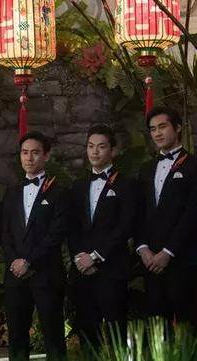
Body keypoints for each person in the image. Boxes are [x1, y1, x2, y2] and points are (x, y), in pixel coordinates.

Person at [0, 131, 69, 361]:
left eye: (35, 152)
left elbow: (56, 234)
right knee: (17, 333)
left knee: (53, 333)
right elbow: (4, 233)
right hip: (15, 275)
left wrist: (28, 260)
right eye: (25, 153)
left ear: (46, 156)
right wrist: (14, 261)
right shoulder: (11, 193)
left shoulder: (60, 193)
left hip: (46, 274)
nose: (29, 158)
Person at [136, 107, 197, 323]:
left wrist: (168, 252)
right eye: (153, 129)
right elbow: (139, 212)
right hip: (150, 260)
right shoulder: (146, 169)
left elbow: (193, 213)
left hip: (182, 258)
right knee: (158, 326)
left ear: (177, 128)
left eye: (162, 127)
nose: (157, 133)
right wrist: (143, 248)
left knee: (188, 325)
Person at [68, 124, 137, 349]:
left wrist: (95, 256)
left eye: (101, 147)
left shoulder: (127, 185)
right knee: (88, 333)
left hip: (112, 268)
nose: (95, 152)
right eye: (90, 146)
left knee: (117, 333)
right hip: (82, 270)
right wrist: (80, 257)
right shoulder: (78, 186)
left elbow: (125, 226)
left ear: (113, 151)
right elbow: (72, 226)